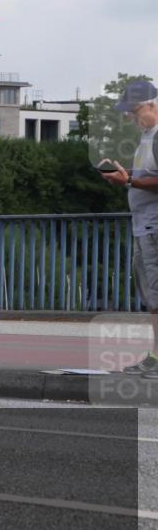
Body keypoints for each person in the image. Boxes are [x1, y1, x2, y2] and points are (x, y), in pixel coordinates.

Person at [100, 80, 158, 378]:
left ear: (152, 105)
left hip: (154, 227)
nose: (131, 118)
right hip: (144, 226)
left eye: (134, 111)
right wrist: (127, 175)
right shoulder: (147, 137)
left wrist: (130, 181)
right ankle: (155, 356)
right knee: (151, 295)